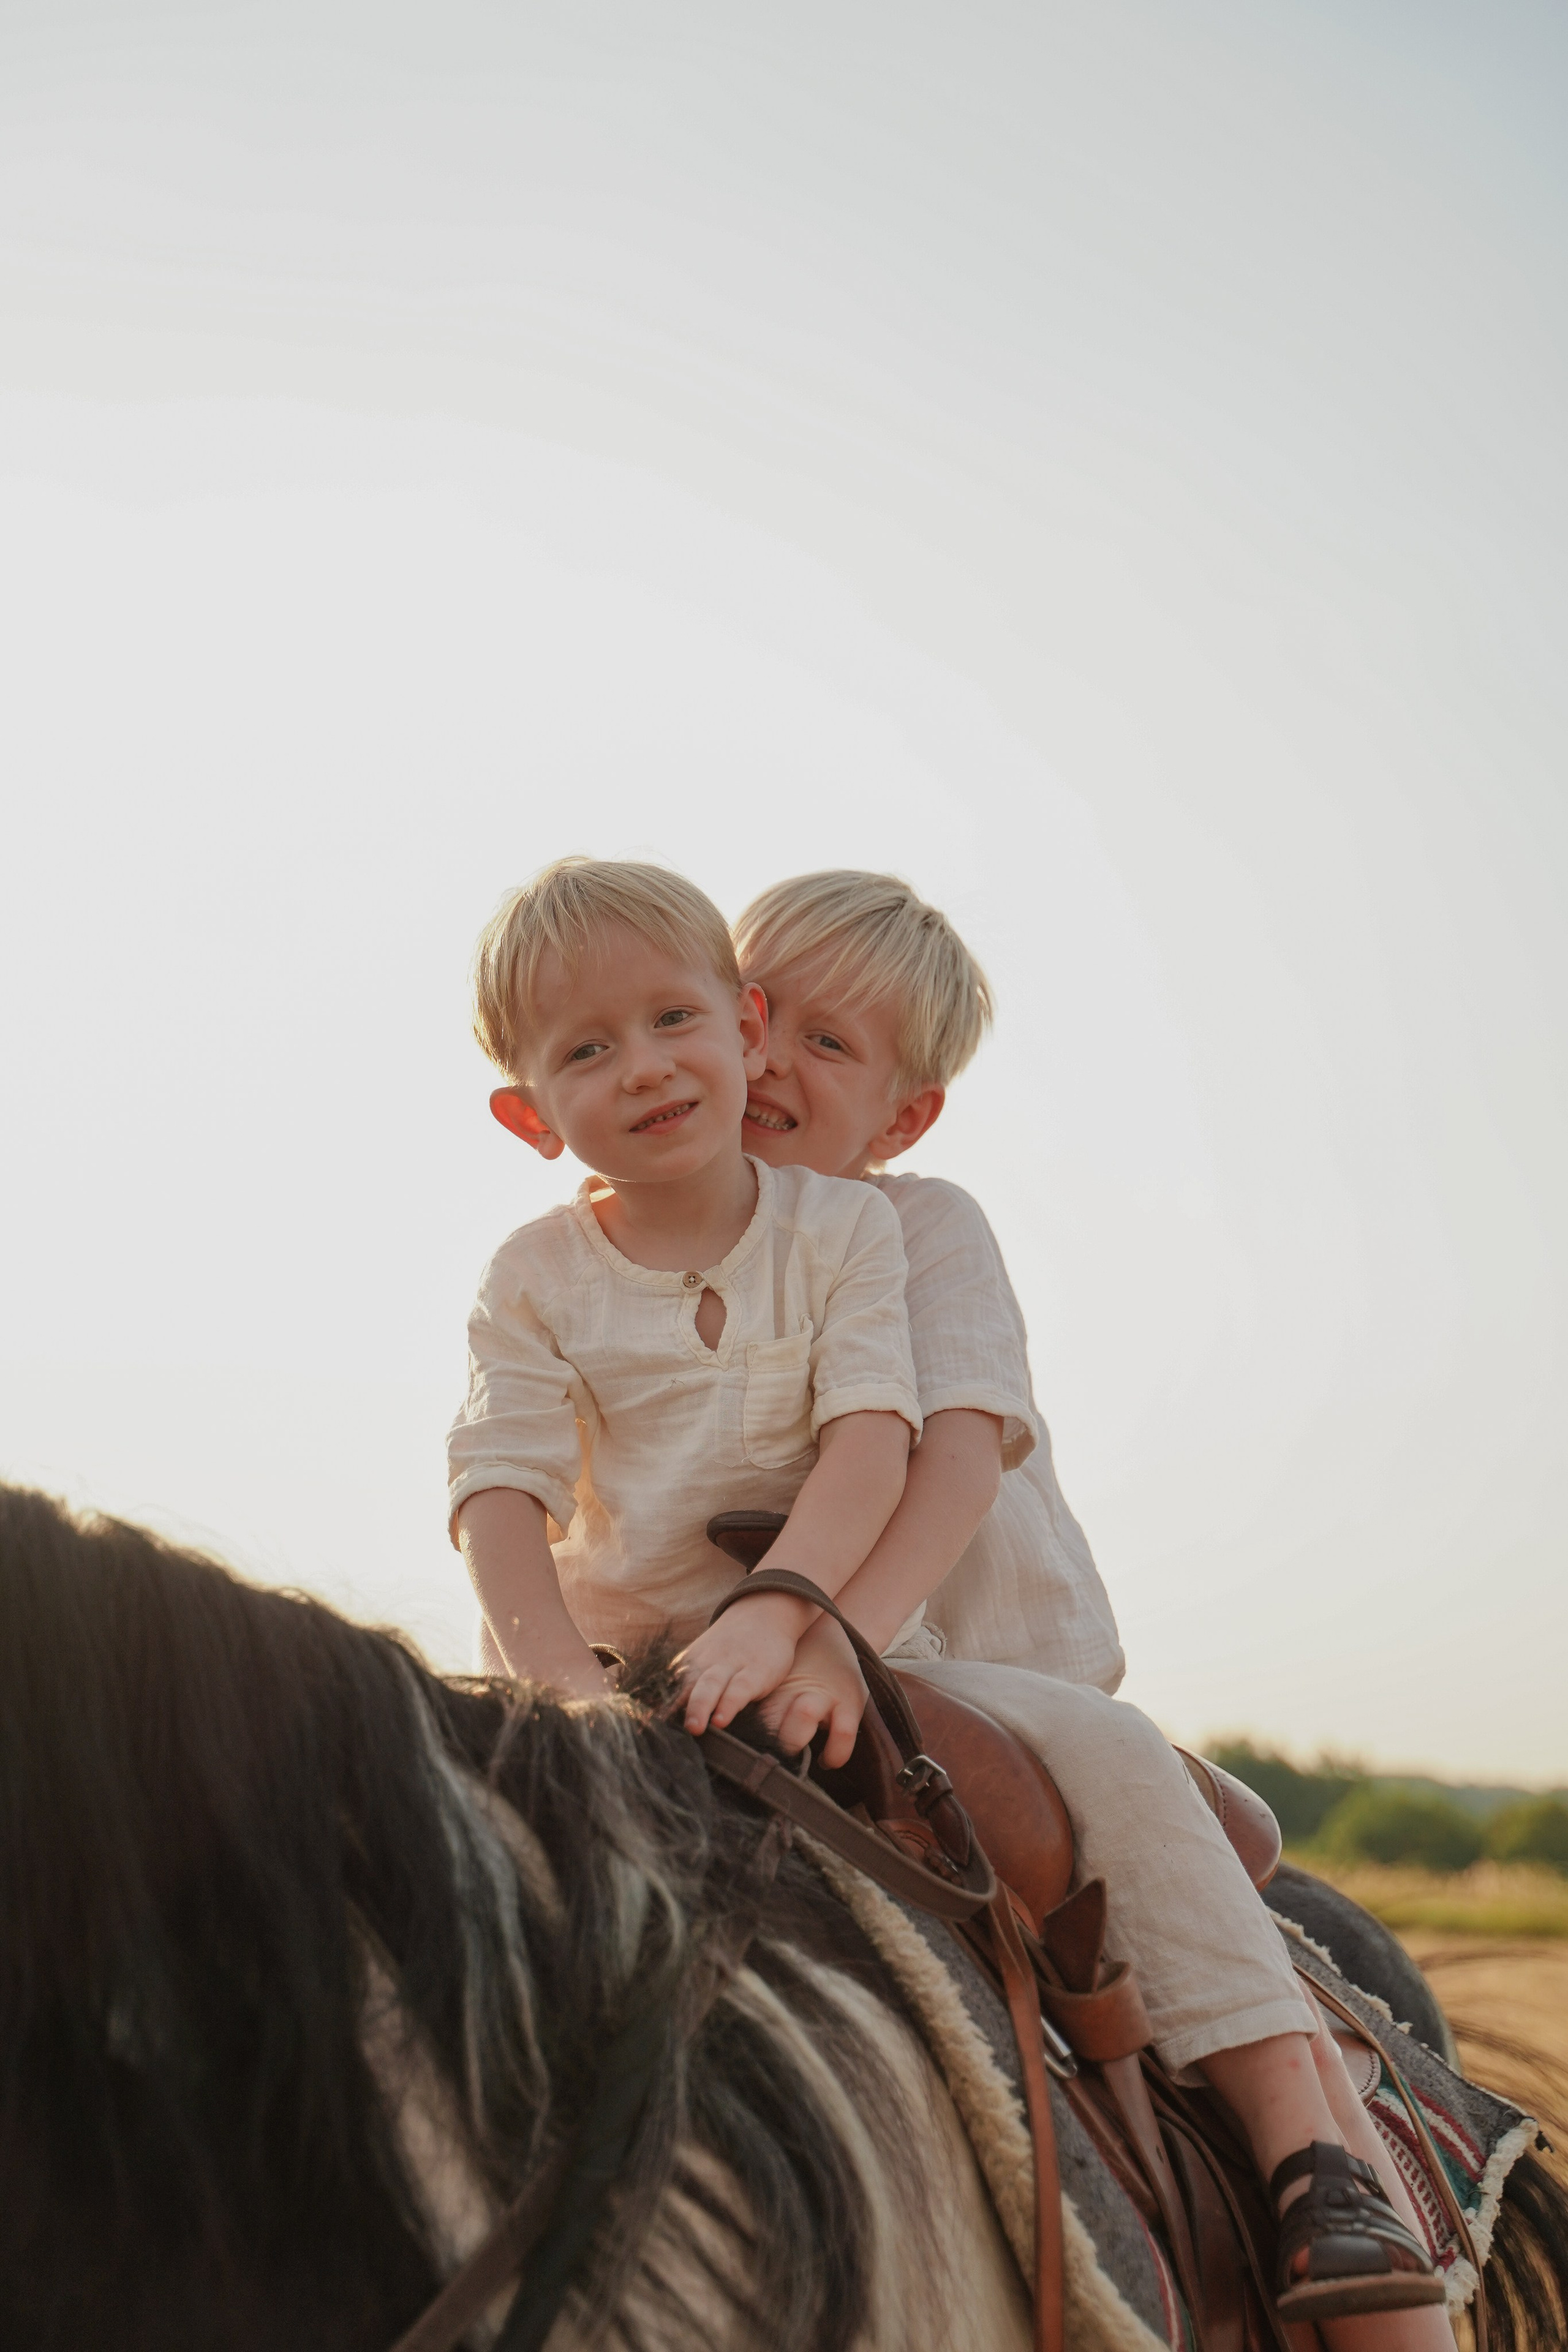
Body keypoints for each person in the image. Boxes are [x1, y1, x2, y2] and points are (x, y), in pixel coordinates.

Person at [727, 869, 1452, 2344]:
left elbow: (953, 1459)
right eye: (750, 1017)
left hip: (952, 1657)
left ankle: (1315, 2155)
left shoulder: (918, 1228)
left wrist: (822, 1629)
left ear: (903, 1116)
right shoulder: (639, 1244)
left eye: (829, 1044)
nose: (767, 1064)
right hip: (744, 1658)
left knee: (1105, 1758)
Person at [448, 856, 925, 1768]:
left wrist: (773, 1616)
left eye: (673, 1018)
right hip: (601, 1678)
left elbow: (870, 1440)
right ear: (531, 1117)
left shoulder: (842, 1227)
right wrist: (573, 1701)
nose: (645, 1068)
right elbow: (499, 1492)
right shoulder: (532, 1276)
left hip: (823, 1648)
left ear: (747, 1030)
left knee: (1070, 1781)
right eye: (587, 1051)